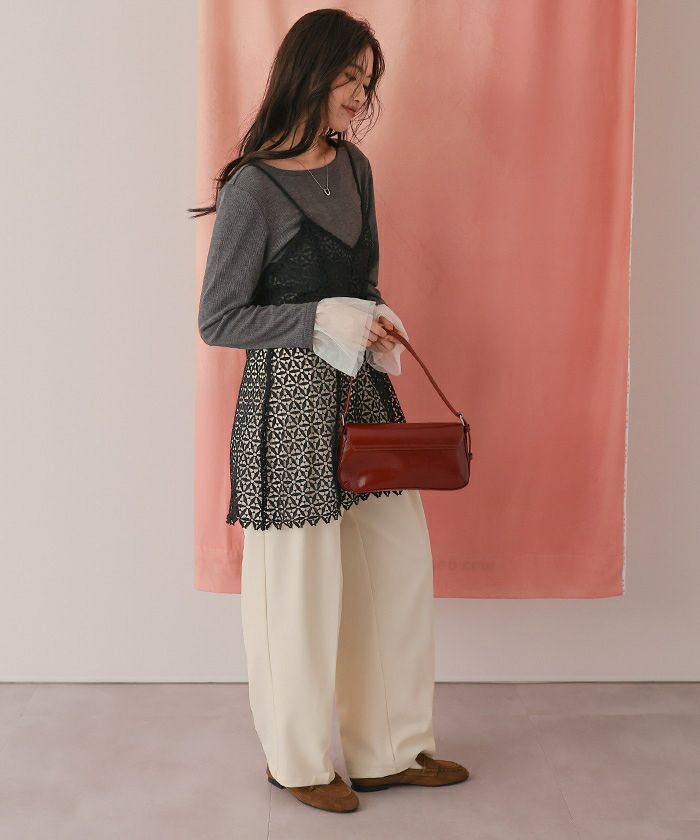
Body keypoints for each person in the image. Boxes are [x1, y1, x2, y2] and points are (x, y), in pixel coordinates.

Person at [192, 8, 469, 813]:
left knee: (394, 570)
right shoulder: (254, 187)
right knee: (299, 591)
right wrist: (321, 318)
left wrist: (374, 319)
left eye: (367, 80)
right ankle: (299, 762)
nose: (359, 95)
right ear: (308, 73)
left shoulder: (355, 168)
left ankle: (390, 751)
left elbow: (361, 280)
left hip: (362, 395)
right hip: (286, 410)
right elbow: (218, 319)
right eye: (348, 77)